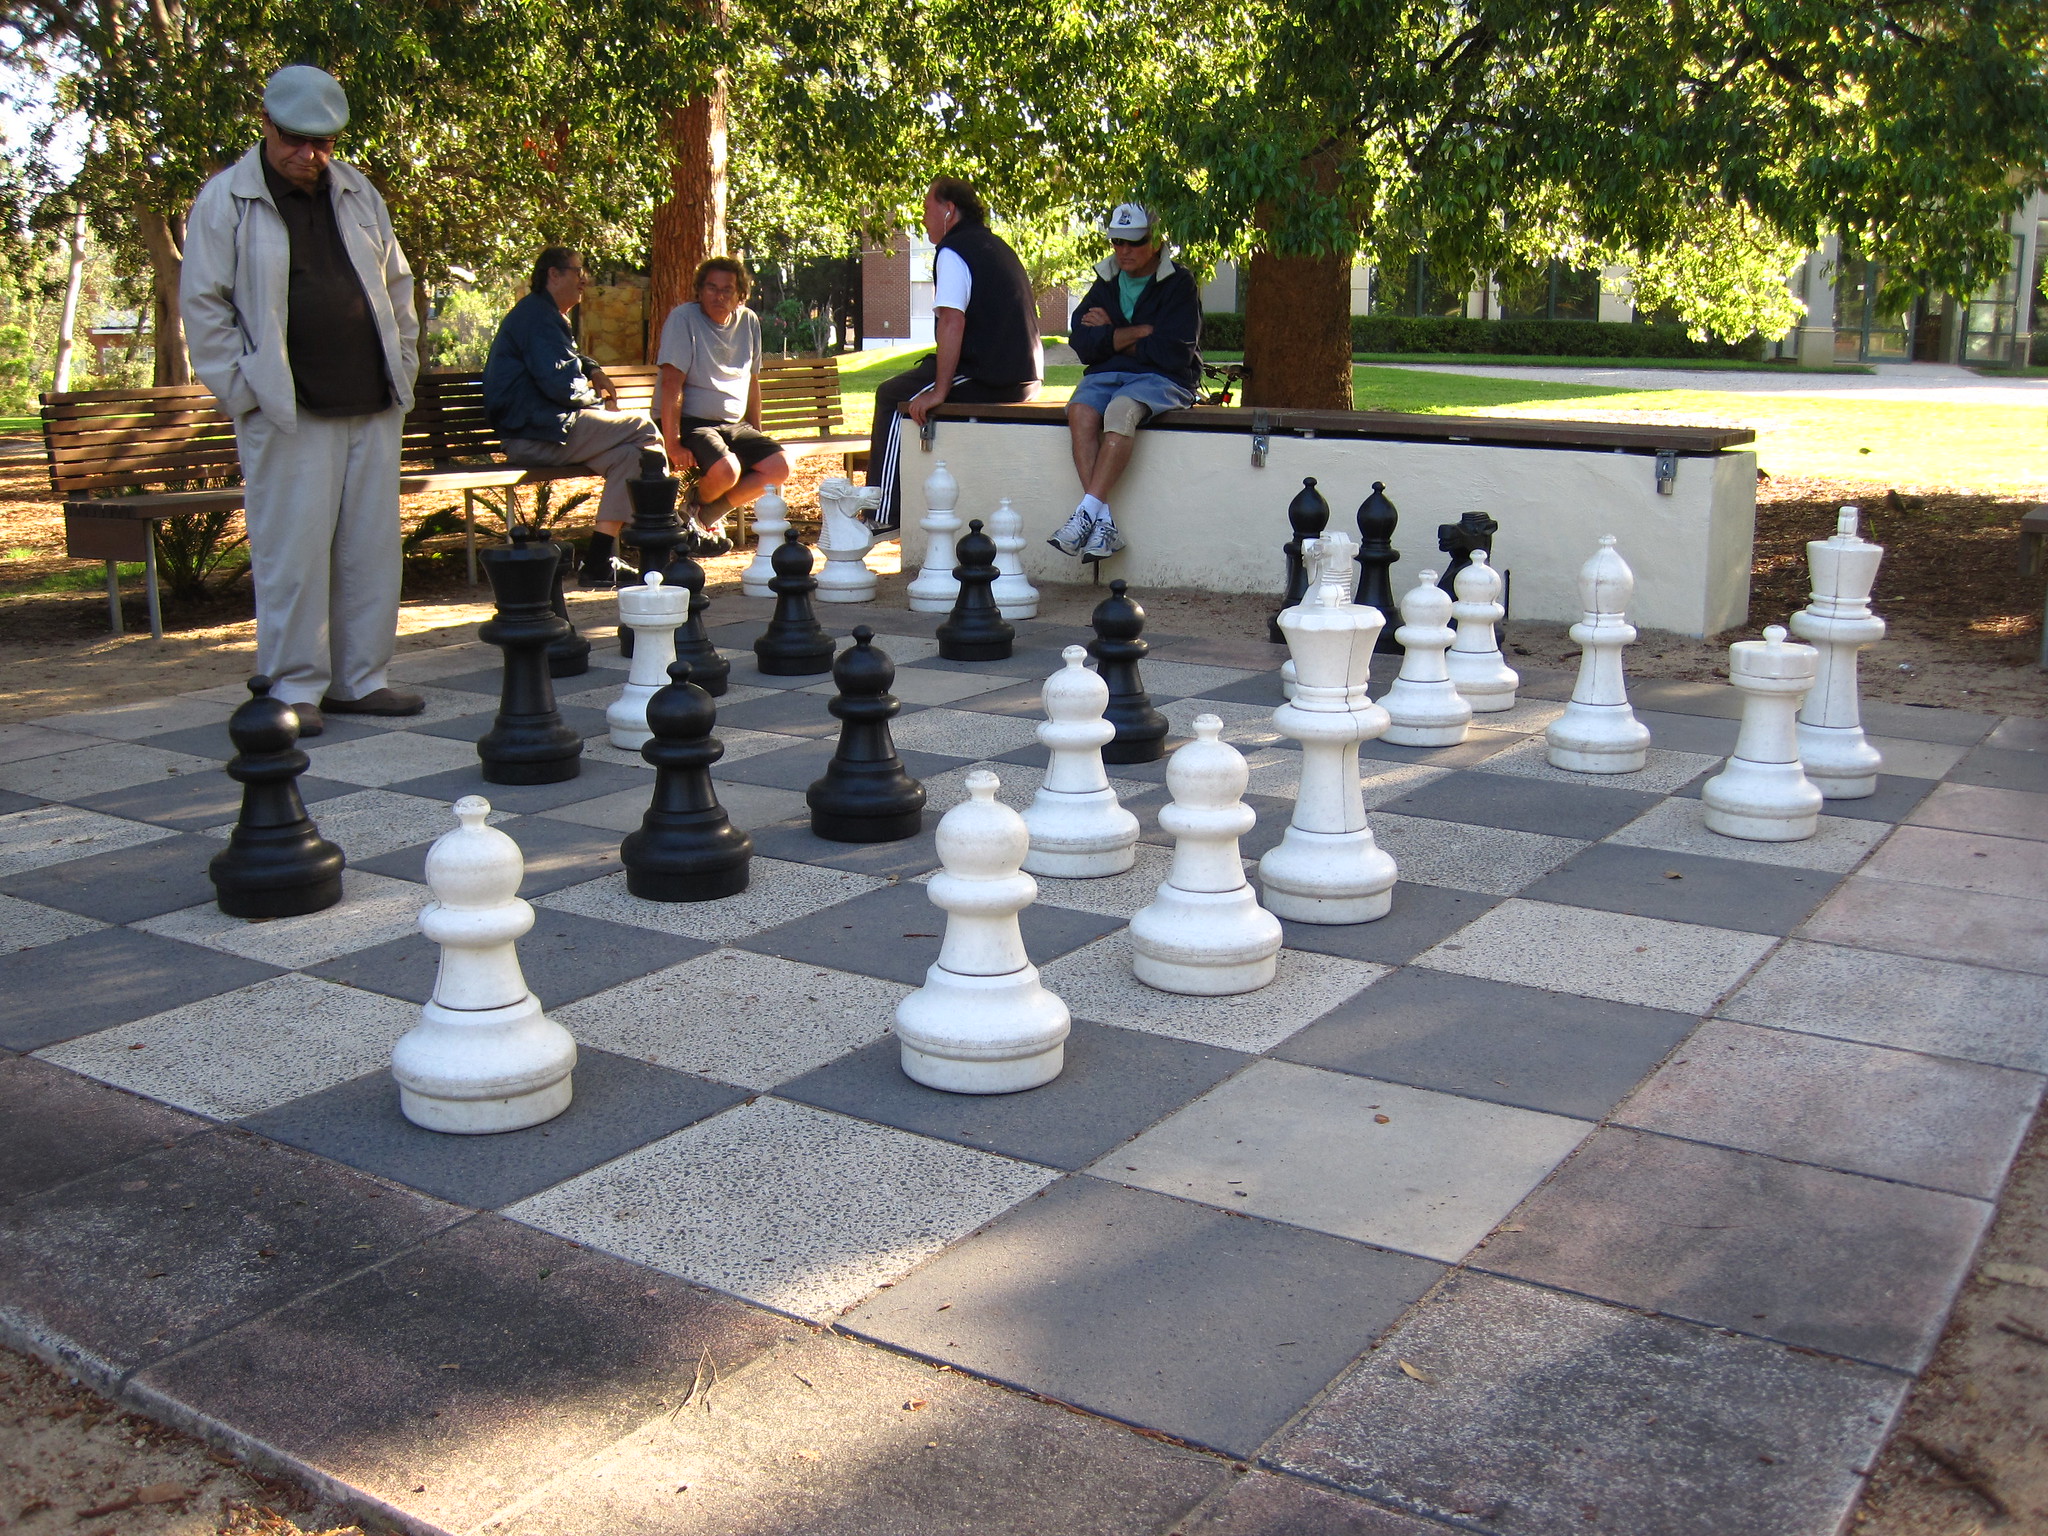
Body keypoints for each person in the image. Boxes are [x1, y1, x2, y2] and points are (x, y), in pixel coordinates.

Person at [181, 65, 423, 736]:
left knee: (369, 550)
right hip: (287, 409)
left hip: (371, 402)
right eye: (296, 140)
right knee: (293, 553)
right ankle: (292, 687)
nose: (309, 155)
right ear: (265, 124)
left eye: (323, 143)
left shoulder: (357, 192)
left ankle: (361, 679)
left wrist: (402, 362)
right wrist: (246, 392)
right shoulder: (227, 200)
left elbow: (396, 285)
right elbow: (204, 307)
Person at [864, 176, 1042, 532]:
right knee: (904, 392)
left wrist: (940, 389)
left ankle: (881, 516)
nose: (923, 218)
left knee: (892, 397)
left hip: (992, 375)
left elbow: (951, 321)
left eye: (928, 208)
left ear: (949, 209)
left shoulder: (954, 250)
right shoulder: (993, 244)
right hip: (1025, 375)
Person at [483, 246, 662, 586]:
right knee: (642, 428)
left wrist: (592, 369)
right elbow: (560, 385)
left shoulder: (545, 315)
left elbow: (568, 361)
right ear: (554, 274)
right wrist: (599, 404)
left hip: (548, 429)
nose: (584, 280)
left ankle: (599, 561)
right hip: (535, 434)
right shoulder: (537, 317)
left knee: (628, 456)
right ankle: (664, 534)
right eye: (578, 272)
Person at [1050, 203, 1203, 562]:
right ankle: (1101, 522)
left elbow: (1175, 351)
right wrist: (1139, 333)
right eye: (1117, 242)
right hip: (1108, 375)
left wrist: (1112, 334)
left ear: (1155, 240)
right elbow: (1083, 343)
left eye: (1134, 242)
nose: (1124, 250)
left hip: (1163, 379)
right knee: (1081, 410)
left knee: (1120, 411)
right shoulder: (1106, 281)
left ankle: (1085, 514)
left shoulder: (1179, 282)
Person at [655, 257, 790, 543]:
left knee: (779, 468)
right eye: (711, 288)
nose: (718, 295)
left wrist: (756, 429)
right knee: (727, 470)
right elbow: (671, 385)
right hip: (691, 421)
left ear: (740, 294)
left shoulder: (749, 321)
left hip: (734, 424)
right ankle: (692, 508)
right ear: (699, 290)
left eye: (727, 289)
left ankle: (703, 514)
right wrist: (673, 442)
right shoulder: (683, 319)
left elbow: (753, 383)